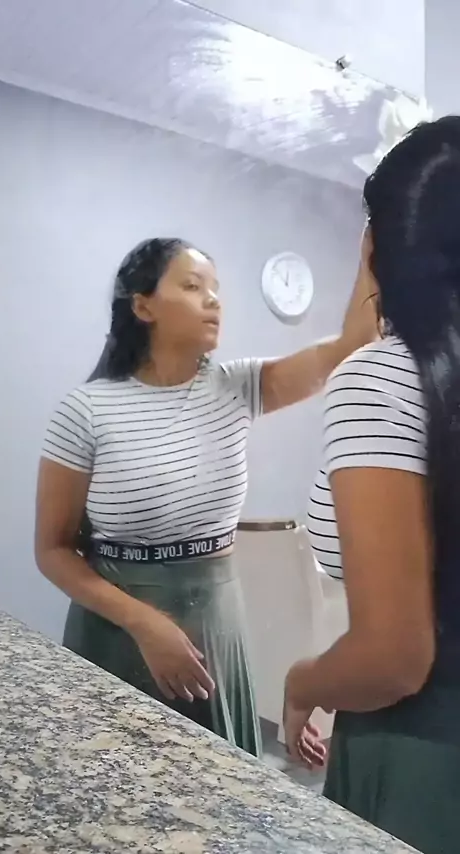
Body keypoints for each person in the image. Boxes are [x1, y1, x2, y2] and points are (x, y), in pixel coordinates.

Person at [35, 236, 374, 757]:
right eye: (193, 287)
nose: (213, 299)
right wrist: (145, 623)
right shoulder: (86, 410)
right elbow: (53, 551)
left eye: (215, 288)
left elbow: (353, 345)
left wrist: (375, 233)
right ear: (143, 306)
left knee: (217, 774)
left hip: (216, 620)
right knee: (115, 775)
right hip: (116, 626)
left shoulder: (237, 387)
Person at [283, 116, 460, 854]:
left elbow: (394, 656)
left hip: (426, 754)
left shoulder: (382, 381)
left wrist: (304, 681)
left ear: (377, 244)